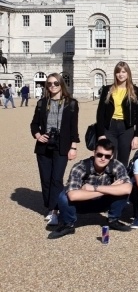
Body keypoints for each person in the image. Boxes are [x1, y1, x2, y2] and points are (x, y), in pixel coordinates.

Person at [47, 139, 133, 239]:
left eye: (107, 156)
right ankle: (68, 225)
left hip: (103, 202)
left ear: (112, 156)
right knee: (63, 197)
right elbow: (73, 195)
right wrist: (110, 189)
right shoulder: (80, 167)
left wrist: (93, 188)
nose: (103, 158)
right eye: (100, 155)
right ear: (94, 153)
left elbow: (127, 188)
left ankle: (113, 220)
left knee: (123, 192)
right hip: (82, 203)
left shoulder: (117, 165)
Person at [31, 73, 79, 227]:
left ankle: (55, 210)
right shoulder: (42, 103)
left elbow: (73, 128)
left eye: (56, 83)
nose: (52, 86)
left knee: (56, 179)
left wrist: (73, 146)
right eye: (49, 84)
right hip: (44, 145)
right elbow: (34, 124)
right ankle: (49, 206)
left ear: (61, 85)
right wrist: (38, 135)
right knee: (45, 179)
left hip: (62, 144)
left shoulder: (71, 103)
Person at [96, 61, 138, 166]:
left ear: (128, 74)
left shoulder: (135, 91)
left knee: (123, 160)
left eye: (123, 72)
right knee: (108, 157)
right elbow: (100, 113)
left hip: (126, 128)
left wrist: (137, 135)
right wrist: (100, 134)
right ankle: (108, 181)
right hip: (110, 127)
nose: (121, 74)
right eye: (118, 72)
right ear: (115, 74)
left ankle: (121, 181)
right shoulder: (107, 90)